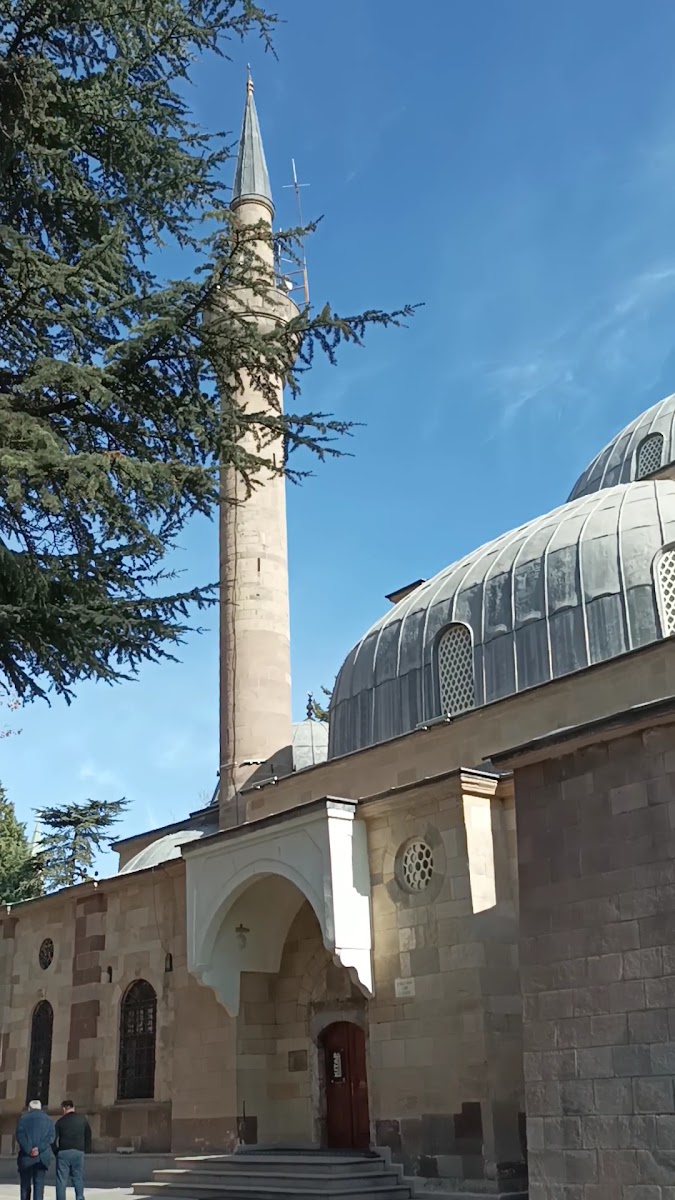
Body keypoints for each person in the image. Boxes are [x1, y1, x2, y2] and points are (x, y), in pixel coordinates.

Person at [16, 1100, 55, 1200]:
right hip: (41, 1157)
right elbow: (50, 1138)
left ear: (29, 1108)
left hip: (26, 1157)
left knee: (25, 1186)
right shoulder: (49, 1120)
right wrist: (38, 1149)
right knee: (39, 1185)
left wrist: (29, 1150)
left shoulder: (23, 1119)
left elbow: (20, 1136)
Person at [54, 1100, 91, 1200]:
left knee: (61, 1180)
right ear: (73, 1107)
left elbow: (53, 1139)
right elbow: (88, 1134)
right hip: (78, 1151)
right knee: (78, 1177)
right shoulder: (82, 1120)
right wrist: (86, 1149)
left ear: (64, 1108)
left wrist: (56, 1151)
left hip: (63, 1152)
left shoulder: (60, 1121)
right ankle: (79, 1197)